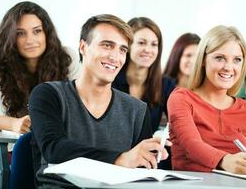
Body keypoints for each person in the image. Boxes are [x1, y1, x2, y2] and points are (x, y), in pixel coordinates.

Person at [29, 14, 169, 188]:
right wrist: (120, 158)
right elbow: (54, 148)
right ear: (83, 47)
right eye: (107, 45)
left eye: (122, 50)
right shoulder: (48, 94)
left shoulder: (137, 110)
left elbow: (141, 172)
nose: (115, 57)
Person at [168, 25, 246, 174]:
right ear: (204, 59)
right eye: (220, 58)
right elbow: (192, 146)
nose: (228, 67)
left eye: (237, 60)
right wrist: (225, 160)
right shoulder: (181, 98)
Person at [0, 1, 80, 134]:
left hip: (60, 138)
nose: (30, 40)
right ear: (10, 36)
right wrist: (12, 123)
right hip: (14, 141)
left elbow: (82, 107)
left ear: (47, 32)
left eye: (37, 31)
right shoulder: (1, 62)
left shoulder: (66, 57)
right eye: (20, 33)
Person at [112, 17, 175, 133]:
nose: (148, 49)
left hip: (150, 150)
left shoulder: (166, 84)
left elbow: (178, 121)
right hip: (115, 150)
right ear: (128, 46)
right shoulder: (111, 79)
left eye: (154, 44)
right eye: (141, 43)